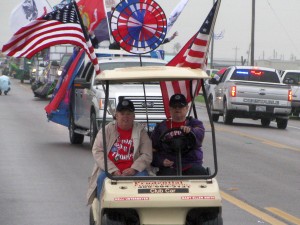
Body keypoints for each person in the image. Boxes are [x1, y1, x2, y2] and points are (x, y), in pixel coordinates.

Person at [86, 99, 152, 205]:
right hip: (110, 170)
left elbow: (147, 154)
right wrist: (112, 170)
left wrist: (134, 169)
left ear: (134, 116)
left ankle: (141, 209)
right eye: (122, 114)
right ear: (116, 115)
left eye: (129, 114)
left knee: (144, 180)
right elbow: (97, 151)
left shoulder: (141, 131)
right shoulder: (106, 130)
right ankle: (101, 210)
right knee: (101, 179)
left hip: (134, 171)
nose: (125, 117)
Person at [151, 94, 207, 176]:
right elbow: (152, 150)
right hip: (170, 165)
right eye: (174, 106)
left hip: (190, 163)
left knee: (200, 172)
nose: (177, 109)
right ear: (170, 109)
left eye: (180, 106)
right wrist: (161, 161)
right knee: (165, 176)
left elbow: (200, 135)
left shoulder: (194, 123)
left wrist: (191, 131)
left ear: (186, 108)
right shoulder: (161, 127)